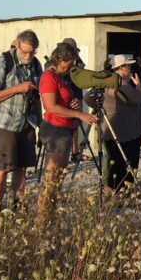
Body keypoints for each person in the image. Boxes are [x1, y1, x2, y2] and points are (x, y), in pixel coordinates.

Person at [0, 30, 43, 211]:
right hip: (6, 124)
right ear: (16, 44)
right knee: (3, 168)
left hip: (27, 122)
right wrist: (16, 89)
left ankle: (18, 206)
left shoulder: (35, 65)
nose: (28, 55)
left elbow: (37, 97)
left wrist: (40, 124)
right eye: (25, 51)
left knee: (21, 167)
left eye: (32, 52)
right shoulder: (2, 64)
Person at [37, 42, 99, 213]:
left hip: (64, 128)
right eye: (68, 63)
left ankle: (49, 213)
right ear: (59, 59)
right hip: (55, 128)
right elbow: (50, 106)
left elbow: (60, 101)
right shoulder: (49, 77)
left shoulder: (59, 77)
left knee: (58, 177)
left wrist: (72, 103)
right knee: (51, 178)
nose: (70, 67)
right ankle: (43, 216)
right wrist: (80, 115)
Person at [86, 54, 141, 197]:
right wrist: (138, 85)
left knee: (113, 160)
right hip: (126, 129)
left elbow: (88, 97)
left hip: (109, 128)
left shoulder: (104, 81)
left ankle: (111, 189)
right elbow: (138, 98)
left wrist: (101, 107)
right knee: (127, 161)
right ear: (120, 68)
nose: (130, 68)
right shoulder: (121, 84)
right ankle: (123, 192)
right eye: (128, 66)